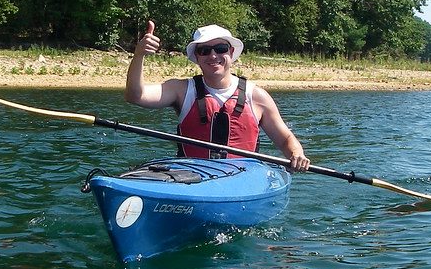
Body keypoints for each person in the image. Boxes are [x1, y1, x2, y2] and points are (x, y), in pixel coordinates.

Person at [126, 21, 310, 171]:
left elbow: (285, 139)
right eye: (205, 51)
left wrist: (296, 154)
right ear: (197, 57)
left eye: (220, 48)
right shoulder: (180, 89)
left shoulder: (257, 96)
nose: (213, 55)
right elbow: (136, 95)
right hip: (192, 176)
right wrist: (139, 54)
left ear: (230, 52)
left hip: (243, 178)